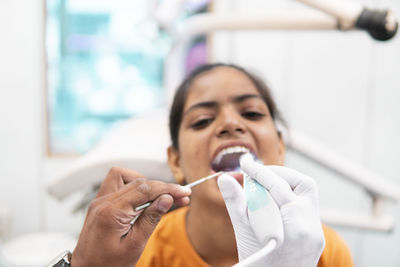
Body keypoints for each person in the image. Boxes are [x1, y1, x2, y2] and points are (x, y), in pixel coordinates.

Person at [68, 63, 354, 267]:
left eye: (252, 113)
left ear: (280, 147)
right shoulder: (139, 255)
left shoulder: (322, 251)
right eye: (203, 120)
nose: (231, 123)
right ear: (176, 161)